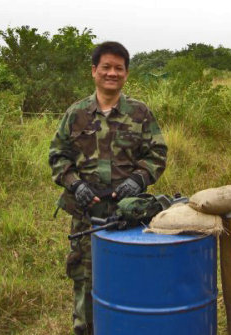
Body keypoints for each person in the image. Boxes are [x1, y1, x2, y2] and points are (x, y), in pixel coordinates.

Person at [48, 41, 167, 335]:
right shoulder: (76, 113)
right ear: (94, 71)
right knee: (86, 279)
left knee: (131, 278)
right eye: (106, 67)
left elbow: (157, 154)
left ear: (126, 74)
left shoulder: (140, 113)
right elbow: (57, 155)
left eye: (119, 68)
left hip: (129, 216)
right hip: (87, 216)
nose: (112, 73)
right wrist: (75, 185)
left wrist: (138, 180)